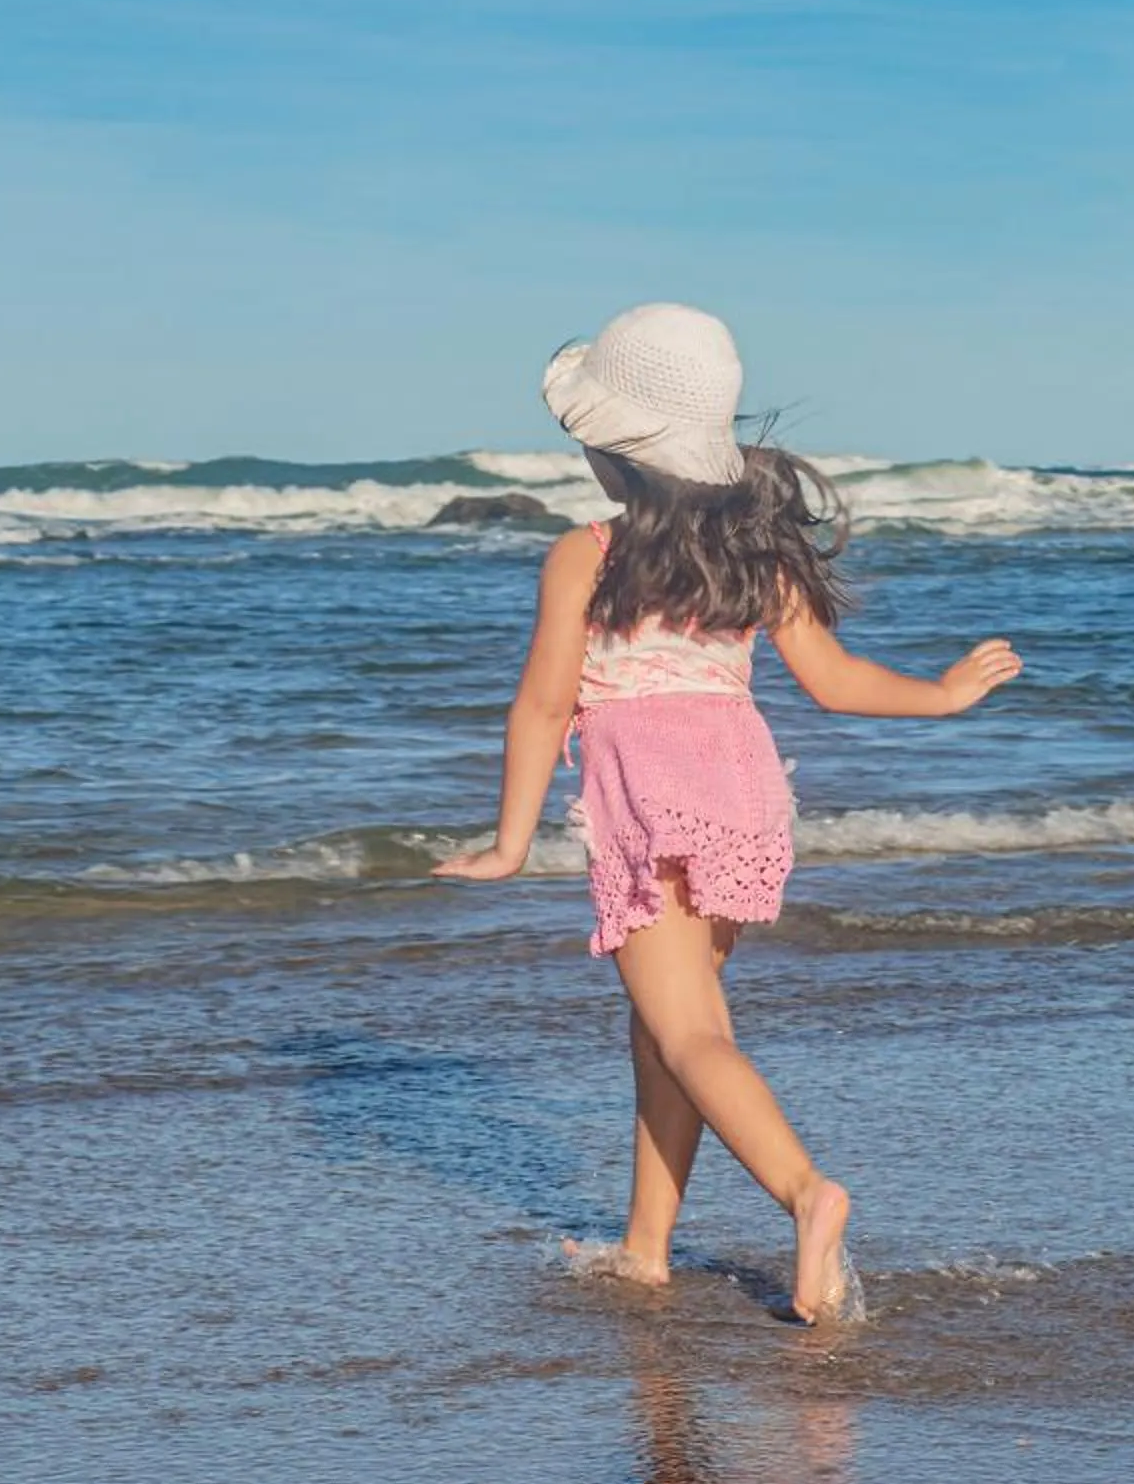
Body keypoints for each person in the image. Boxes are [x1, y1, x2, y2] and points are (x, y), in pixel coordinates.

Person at [435, 303, 1023, 1323]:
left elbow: (542, 703)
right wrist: (943, 692)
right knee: (662, 1025)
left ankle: (807, 1193)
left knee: (693, 1031)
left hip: (649, 800)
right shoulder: (758, 551)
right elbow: (834, 682)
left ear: (615, 451)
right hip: (744, 791)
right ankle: (646, 1246)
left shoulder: (587, 554)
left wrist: (509, 840)